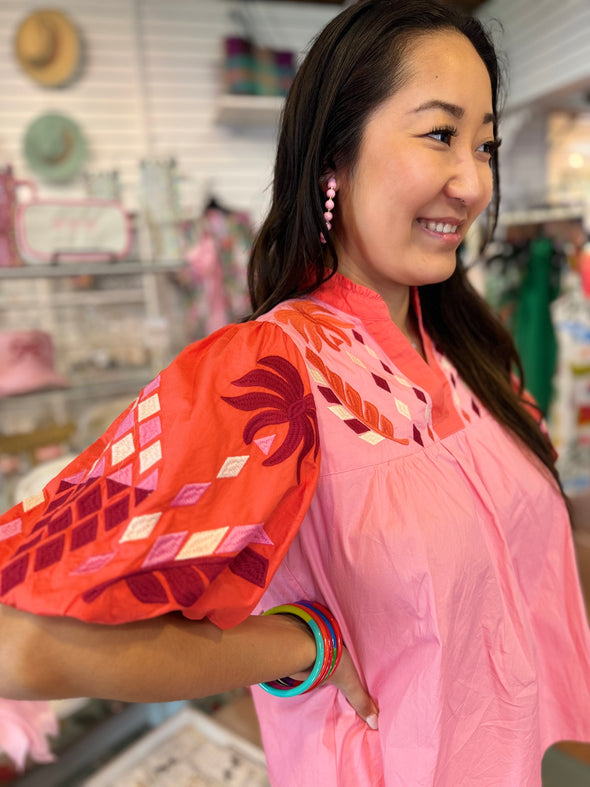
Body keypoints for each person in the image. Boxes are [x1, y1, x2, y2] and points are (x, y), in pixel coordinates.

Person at [1, 0, 589, 783]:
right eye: (441, 135)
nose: (475, 181)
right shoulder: (264, 376)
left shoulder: (472, 349)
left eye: (485, 144)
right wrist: (301, 645)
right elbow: (19, 642)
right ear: (333, 157)